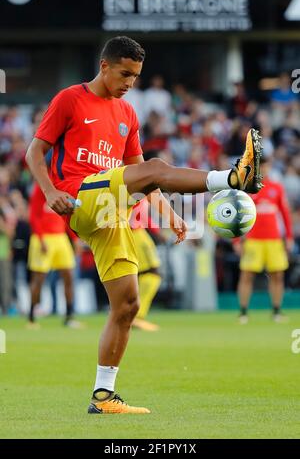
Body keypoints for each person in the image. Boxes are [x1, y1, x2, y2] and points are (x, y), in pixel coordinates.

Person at [25, 36, 262, 414]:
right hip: (78, 196)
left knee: (128, 305)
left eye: (136, 76)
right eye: (125, 73)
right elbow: (33, 151)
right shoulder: (70, 98)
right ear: (104, 66)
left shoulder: (127, 114)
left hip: (111, 212)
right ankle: (232, 178)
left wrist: (170, 217)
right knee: (155, 166)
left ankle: (103, 395)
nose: (130, 82)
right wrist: (50, 190)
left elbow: (147, 180)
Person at [236, 157, 294, 324]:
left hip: (274, 240)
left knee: (277, 275)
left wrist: (288, 237)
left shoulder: (277, 188)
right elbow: (239, 216)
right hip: (253, 240)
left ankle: (276, 311)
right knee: (247, 275)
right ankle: (243, 312)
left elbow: (285, 214)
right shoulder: (248, 189)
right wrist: (237, 241)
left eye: (266, 166)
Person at [27, 181, 81, 328]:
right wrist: (40, 237)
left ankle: (69, 316)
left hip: (60, 238)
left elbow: (68, 216)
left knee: (69, 276)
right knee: (39, 279)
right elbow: (33, 215)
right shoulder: (41, 188)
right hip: (43, 238)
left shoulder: (63, 186)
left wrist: (75, 239)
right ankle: (31, 317)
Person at [130, 199, 162, 332]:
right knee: (152, 274)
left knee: (141, 275)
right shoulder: (136, 185)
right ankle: (137, 317)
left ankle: (131, 315)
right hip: (135, 233)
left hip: (138, 232)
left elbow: (141, 213)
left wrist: (155, 230)